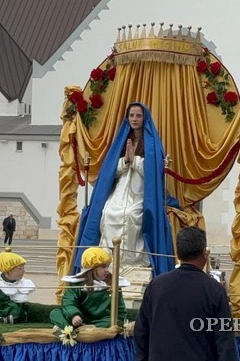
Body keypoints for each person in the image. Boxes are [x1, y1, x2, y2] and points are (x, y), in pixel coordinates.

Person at [134, 227, 239, 361]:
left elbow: (140, 333)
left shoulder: (156, 286)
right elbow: (225, 341)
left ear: (177, 254)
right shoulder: (214, 291)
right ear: (204, 253)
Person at [73, 103, 175, 276]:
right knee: (108, 212)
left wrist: (135, 160)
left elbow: (154, 172)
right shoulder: (121, 140)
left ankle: (132, 260)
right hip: (120, 188)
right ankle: (108, 260)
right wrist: (125, 161)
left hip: (141, 190)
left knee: (130, 215)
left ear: (144, 118)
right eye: (131, 115)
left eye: (138, 116)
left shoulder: (151, 143)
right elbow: (110, 170)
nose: (134, 119)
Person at [50, 247, 129, 329]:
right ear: (92, 268)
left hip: (102, 321)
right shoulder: (77, 284)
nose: (107, 270)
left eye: (107, 267)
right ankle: (79, 329)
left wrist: (121, 322)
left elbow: (120, 309)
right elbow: (69, 302)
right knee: (55, 313)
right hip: (80, 320)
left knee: (112, 321)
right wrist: (74, 315)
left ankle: (75, 330)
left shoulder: (113, 284)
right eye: (103, 267)